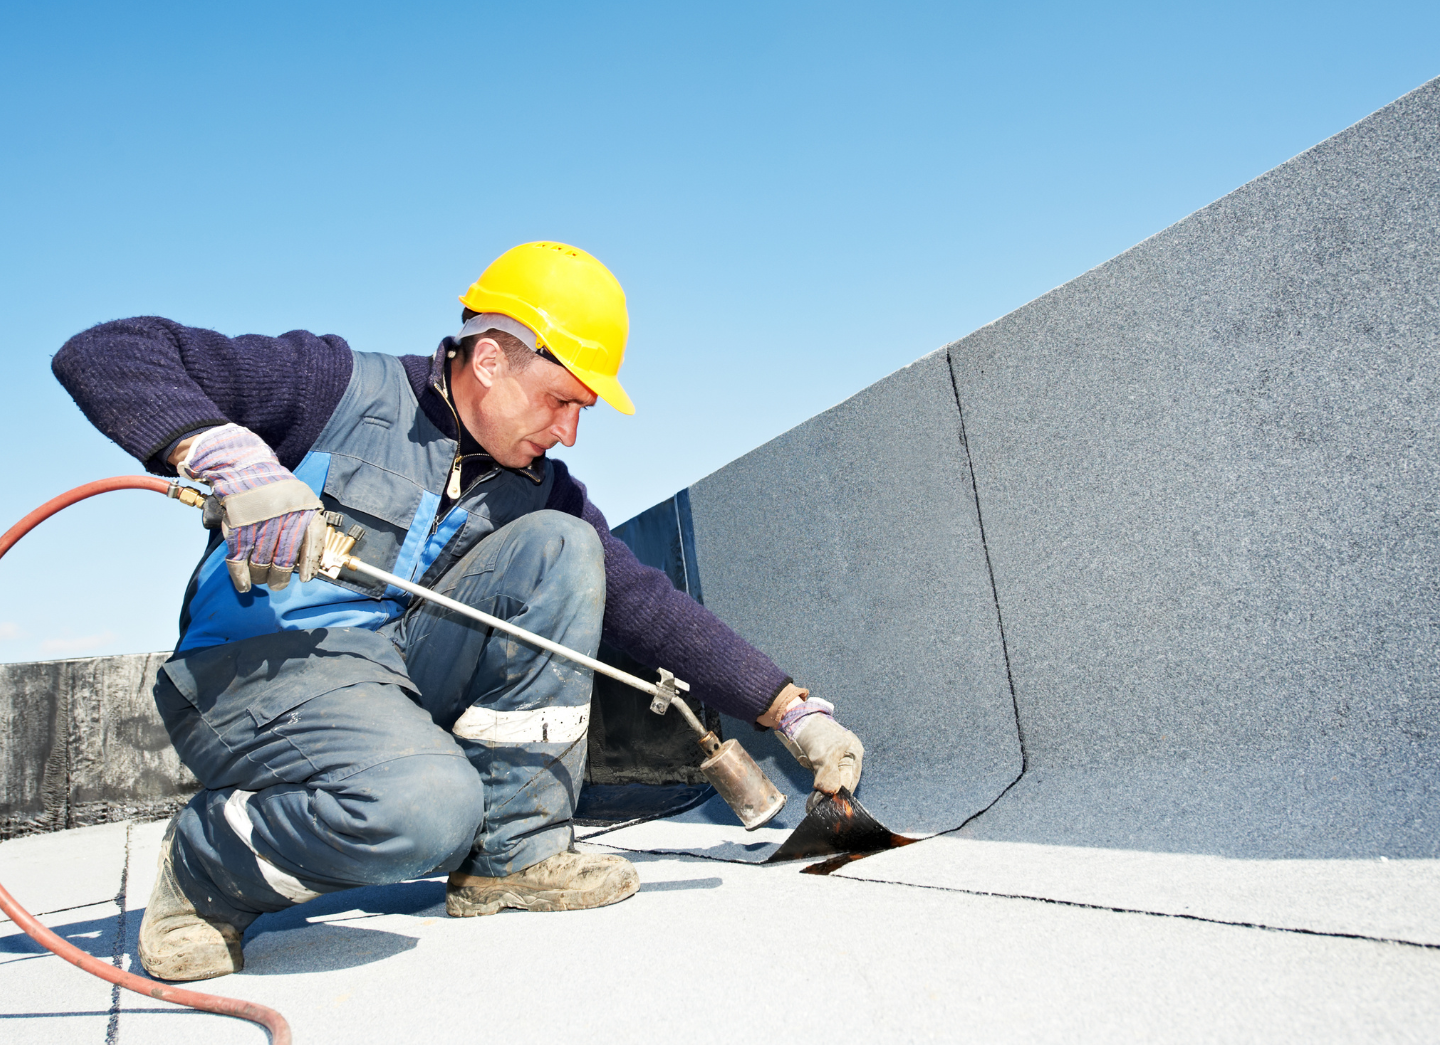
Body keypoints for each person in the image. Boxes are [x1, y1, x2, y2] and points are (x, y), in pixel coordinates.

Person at [52, 240, 864, 983]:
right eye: (560, 400)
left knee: (563, 548)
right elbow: (107, 352)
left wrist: (790, 711)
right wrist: (225, 454)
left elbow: (646, 605)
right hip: (257, 670)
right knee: (427, 812)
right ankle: (205, 864)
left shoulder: (535, 487)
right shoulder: (336, 387)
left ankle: (512, 858)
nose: (570, 432)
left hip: (388, 672)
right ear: (489, 359)